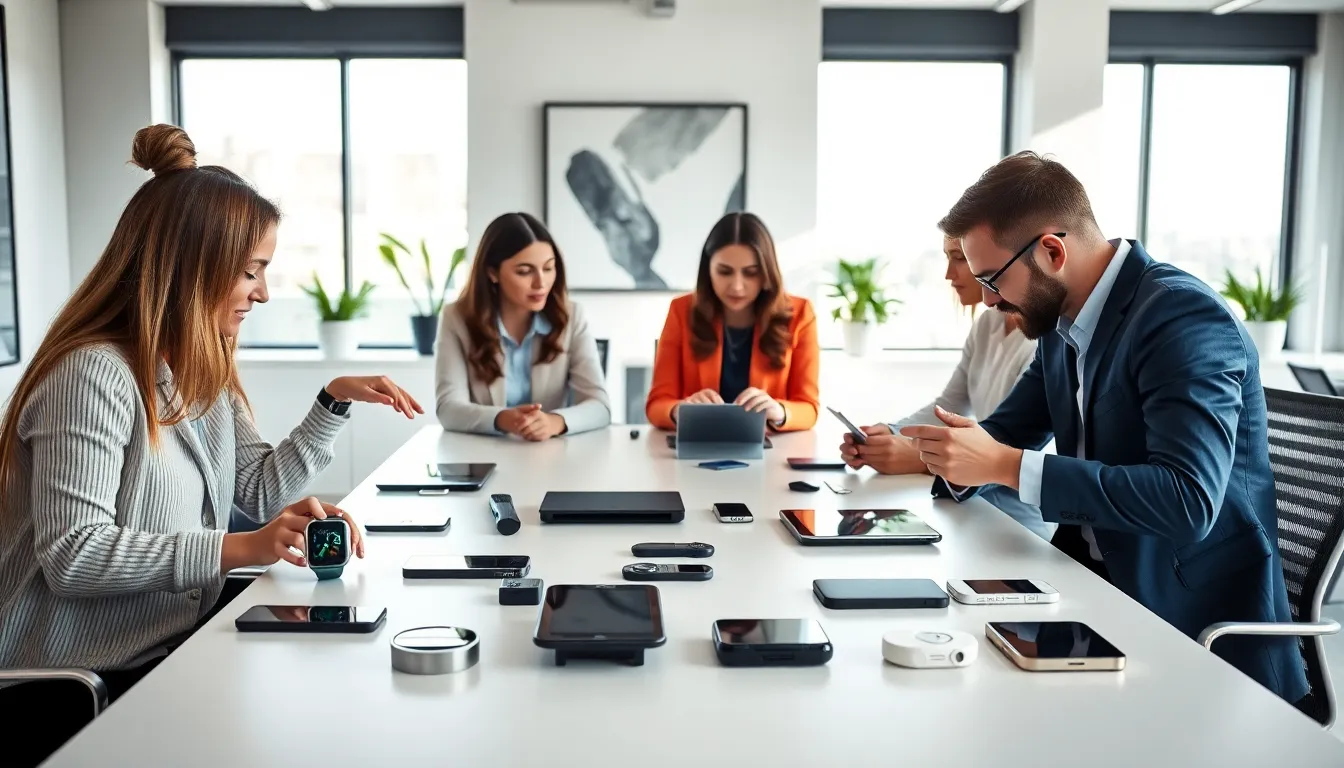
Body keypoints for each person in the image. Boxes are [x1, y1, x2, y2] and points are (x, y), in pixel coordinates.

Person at [0, 124, 422, 765]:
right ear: (189, 266)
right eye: (250, 271)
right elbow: (74, 555)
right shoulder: (92, 375)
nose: (264, 291)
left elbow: (254, 493)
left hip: (167, 648)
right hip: (76, 682)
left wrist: (332, 404)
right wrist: (241, 547)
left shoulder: (200, 367)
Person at [897, 151, 1307, 705]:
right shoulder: (1062, 321)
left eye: (992, 279)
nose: (989, 301)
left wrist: (1001, 465)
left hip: (1190, 630)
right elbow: (1006, 434)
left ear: (1051, 250)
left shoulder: (1180, 317)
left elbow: (1187, 502)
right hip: (1090, 590)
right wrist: (946, 451)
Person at [839, 236, 1053, 541]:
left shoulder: (1045, 341)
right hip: (971, 513)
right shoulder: (987, 325)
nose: (948, 273)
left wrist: (918, 456)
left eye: (960, 258)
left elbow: (1017, 451)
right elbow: (949, 405)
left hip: (1017, 523)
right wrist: (889, 433)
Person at [435, 212, 610, 439]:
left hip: (551, 455)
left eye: (548, 268)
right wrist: (504, 419)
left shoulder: (572, 316)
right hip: (483, 454)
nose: (541, 283)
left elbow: (600, 407)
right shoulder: (456, 318)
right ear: (492, 273)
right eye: (524, 271)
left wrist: (555, 422)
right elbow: (448, 408)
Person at [646, 212, 819, 431]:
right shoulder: (681, 311)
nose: (737, 286)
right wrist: (680, 410)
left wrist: (780, 411)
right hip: (698, 446)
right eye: (724, 272)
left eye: (751, 273)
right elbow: (657, 404)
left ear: (767, 273)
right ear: (708, 270)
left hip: (772, 450)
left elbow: (810, 408)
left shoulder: (800, 314)